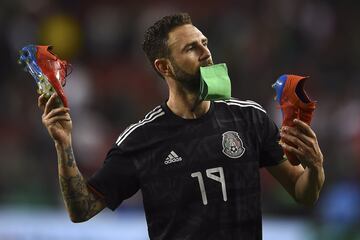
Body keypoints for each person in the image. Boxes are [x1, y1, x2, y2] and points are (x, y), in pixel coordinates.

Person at [38, 13, 324, 239]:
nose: (205, 53)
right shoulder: (141, 140)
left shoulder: (249, 118)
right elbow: (81, 210)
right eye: (191, 48)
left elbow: (303, 192)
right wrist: (64, 146)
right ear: (164, 67)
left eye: (204, 43)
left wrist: (315, 168)